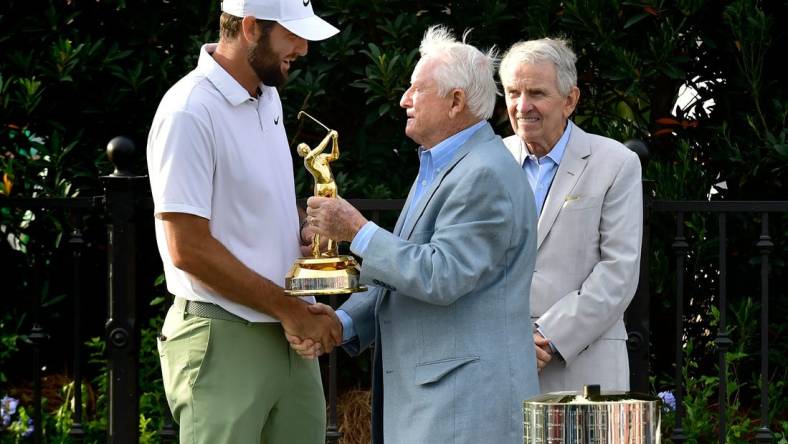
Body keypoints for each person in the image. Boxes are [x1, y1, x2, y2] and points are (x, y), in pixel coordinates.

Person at [289, 26, 539, 444]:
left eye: (416, 90)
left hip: (465, 409)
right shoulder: (445, 165)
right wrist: (343, 322)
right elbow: (399, 279)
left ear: (456, 101)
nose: (404, 99)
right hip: (439, 404)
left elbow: (442, 275)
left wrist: (358, 231)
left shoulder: (484, 174)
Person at [145, 1, 340, 442]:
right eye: (291, 34)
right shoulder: (188, 111)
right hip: (223, 336)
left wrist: (299, 234)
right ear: (250, 28)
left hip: (286, 333)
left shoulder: (266, 95)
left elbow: (250, 206)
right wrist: (292, 311)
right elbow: (187, 248)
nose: (303, 48)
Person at [498, 37, 643, 392]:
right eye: (513, 92)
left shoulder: (615, 163)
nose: (522, 106)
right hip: (500, 363)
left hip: (584, 367)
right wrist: (507, 339)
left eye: (536, 93)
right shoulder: (491, 160)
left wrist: (546, 337)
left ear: (570, 100)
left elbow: (618, 271)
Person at [297, 130, 339, 257]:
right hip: (321, 188)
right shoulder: (308, 160)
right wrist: (329, 136)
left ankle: (332, 248)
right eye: (301, 150)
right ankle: (315, 248)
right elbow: (319, 149)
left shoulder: (321, 158)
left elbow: (335, 155)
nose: (304, 150)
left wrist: (335, 140)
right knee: (318, 221)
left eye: (304, 147)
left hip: (331, 185)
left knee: (332, 218)